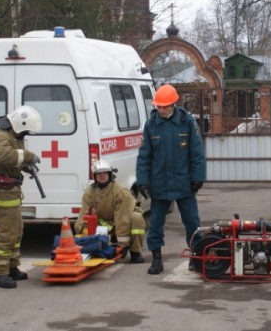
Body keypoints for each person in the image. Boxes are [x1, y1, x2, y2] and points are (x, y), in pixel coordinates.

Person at [136, 84, 206, 275]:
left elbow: (197, 153)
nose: (161, 110)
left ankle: (196, 257)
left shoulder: (187, 122)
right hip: (159, 185)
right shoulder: (151, 126)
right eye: (158, 106)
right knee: (156, 225)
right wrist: (142, 180)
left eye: (164, 106)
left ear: (174, 104)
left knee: (192, 223)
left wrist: (198, 178)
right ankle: (157, 259)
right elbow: (144, 156)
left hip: (184, 184)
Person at [0, 105, 42, 289]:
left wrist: (26, 166)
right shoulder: (0, 137)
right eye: (25, 130)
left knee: (16, 231)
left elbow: (12, 161)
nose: (25, 134)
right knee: (7, 233)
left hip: (10, 190)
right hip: (1, 193)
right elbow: (3, 157)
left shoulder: (11, 136)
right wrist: (28, 156)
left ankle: (11, 267)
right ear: (18, 123)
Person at [74, 159, 146, 264]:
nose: (102, 176)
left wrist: (123, 246)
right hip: (104, 225)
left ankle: (135, 252)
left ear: (110, 175)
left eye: (104, 173)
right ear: (94, 176)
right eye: (99, 174)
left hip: (121, 223)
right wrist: (82, 240)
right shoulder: (90, 193)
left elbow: (122, 219)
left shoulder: (120, 192)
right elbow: (83, 217)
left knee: (136, 218)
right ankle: (98, 248)